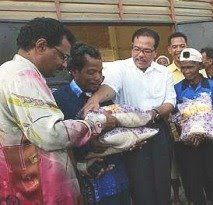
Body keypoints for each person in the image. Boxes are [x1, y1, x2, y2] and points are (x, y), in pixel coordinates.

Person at [0, 17, 116, 204]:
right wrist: (97, 123)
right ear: (41, 46)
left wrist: (80, 166)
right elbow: (51, 134)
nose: (64, 65)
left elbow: (35, 144)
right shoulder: (23, 77)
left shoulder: (11, 73)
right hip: (37, 193)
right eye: (62, 56)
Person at [81, 28, 176, 205]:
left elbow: (170, 102)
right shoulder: (120, 68)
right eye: (136, 49)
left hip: (157, 128)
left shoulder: (163, 72)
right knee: (140, 183)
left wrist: (152, 114)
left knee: (162, 180)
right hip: (130, 133)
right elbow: (109, 88)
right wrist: (96, 98)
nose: (140, 55)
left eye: (147, 51)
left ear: (155, 52)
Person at [53, 43, 130, 205]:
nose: (98, 77)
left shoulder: (104, 98)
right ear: (74, 71)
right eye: (91, 72)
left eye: (100, 72)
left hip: (117, 173)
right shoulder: (59, 100)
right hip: (86, 177)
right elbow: (59, 143)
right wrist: (85, 156)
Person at [174, 48, 213, 205]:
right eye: (183, 67)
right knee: (193, 187)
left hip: (211, 145)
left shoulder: (212, 86)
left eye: (190, 67)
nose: (186, 71)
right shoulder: (177, 89)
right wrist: (187, 135)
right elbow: (175, 117)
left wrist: (205, 132)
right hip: (187, 145)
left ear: (199, 66)